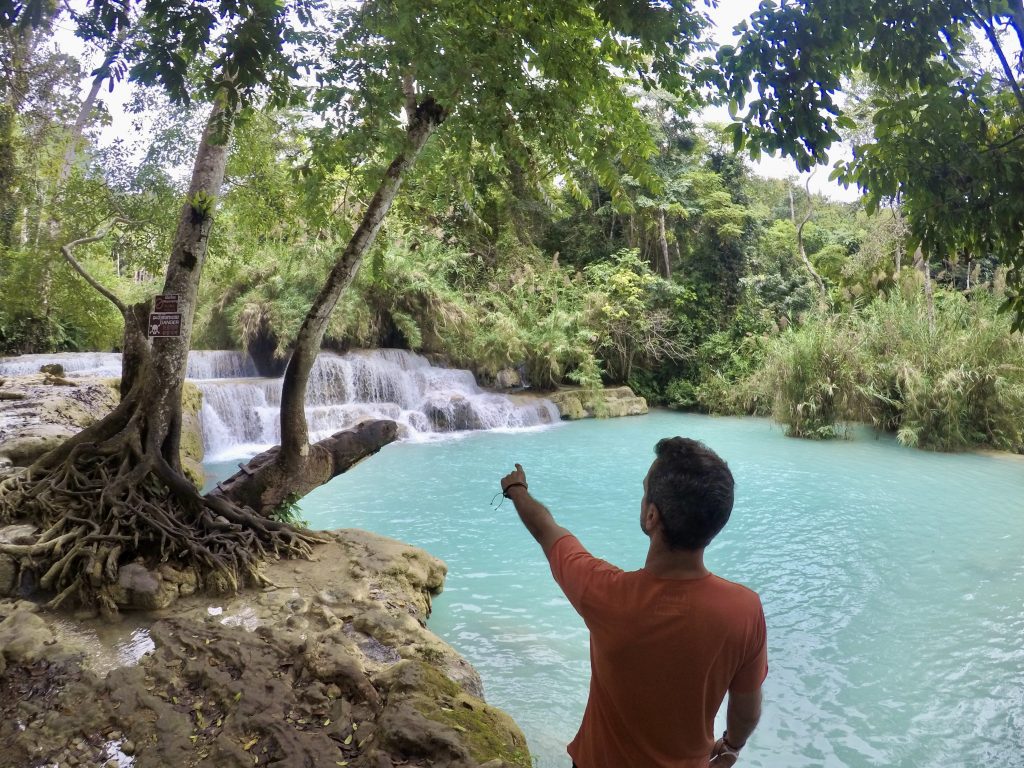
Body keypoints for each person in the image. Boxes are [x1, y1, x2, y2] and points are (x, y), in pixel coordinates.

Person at [499, 437, 766, 768]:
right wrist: (730, 747)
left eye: (644, 492)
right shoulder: (743, 611)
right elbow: (746, 710)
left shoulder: (604, 594)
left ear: (652, 515)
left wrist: (518, 490)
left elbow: (546, 530)